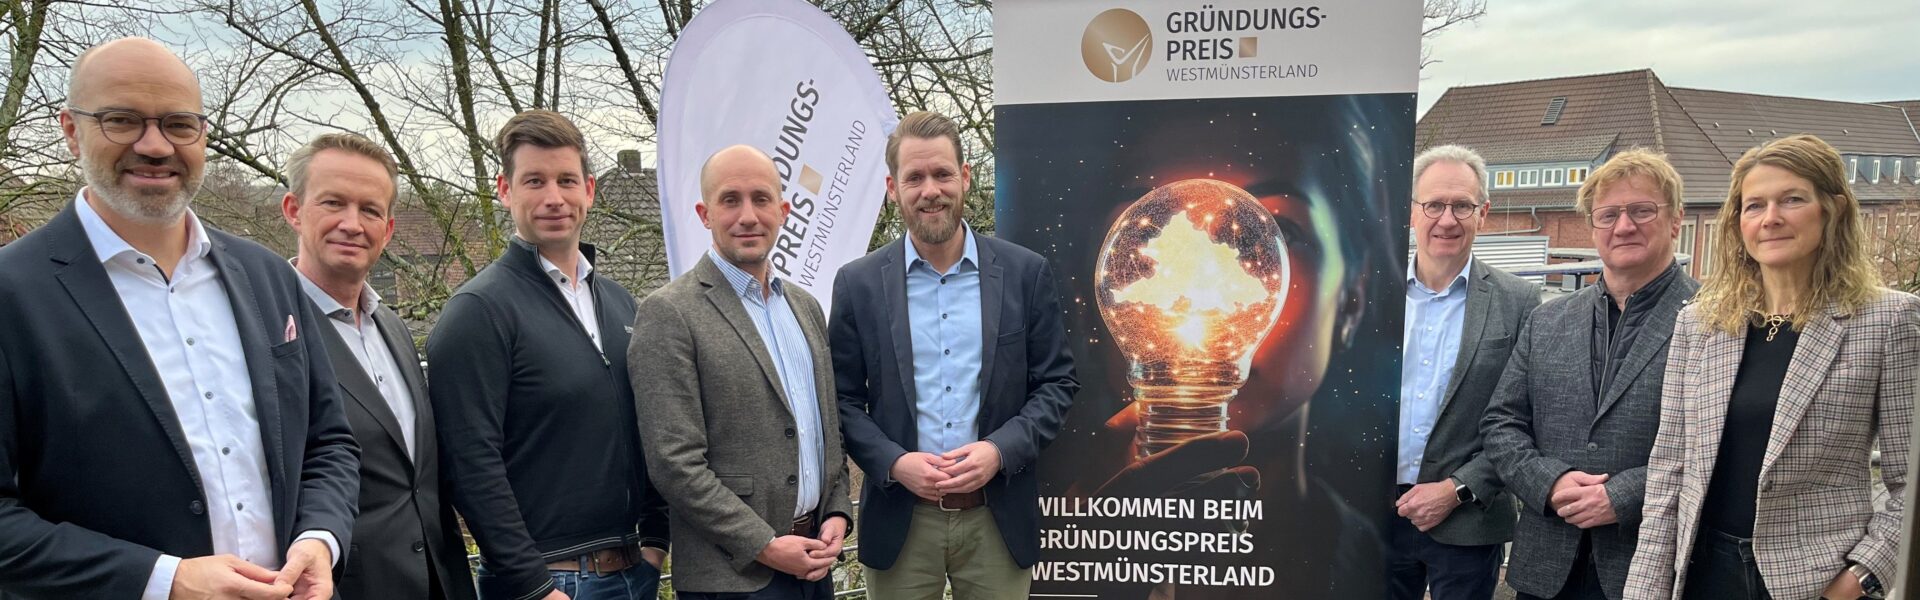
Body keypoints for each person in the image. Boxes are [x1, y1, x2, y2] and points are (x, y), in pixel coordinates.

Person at [0, 37, 358, 600]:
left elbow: (329, 441)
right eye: (122, 120)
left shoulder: (267, 276)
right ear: (71, 130)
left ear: (202, 135)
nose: (154, 145)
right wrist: (164, 581)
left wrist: (320, 538)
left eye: (178, 124)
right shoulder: (13, 294)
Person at [1624, 135, 1916, 600]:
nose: (1771, 218)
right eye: (1754, 205)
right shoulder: (1700, 323)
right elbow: (1669, 471)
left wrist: (1858, 579)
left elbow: (1911, 484)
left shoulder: (1888, 320)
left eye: (1792, 200)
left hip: (1817, 581)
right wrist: (1644, 590)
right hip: (1702, 574)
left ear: (1833, 209)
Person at [831, 111, 1079, 600]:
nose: (931, 190)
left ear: (965, 177)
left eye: (942, 174)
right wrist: (895, 462)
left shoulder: (1024, 274)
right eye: (914, 177)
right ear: (892, 188)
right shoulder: (858, 284)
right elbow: (841, 400)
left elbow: (1058, 384)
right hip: (901, 522)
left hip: (997, 518)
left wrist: (999, 451)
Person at [428, 110, 668, 600]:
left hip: (633, 573)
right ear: (505, 190)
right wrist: (534, 586)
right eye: (534, 181)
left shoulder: (621, 304)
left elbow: (651, 424)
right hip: (547, 583)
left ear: (589, 190)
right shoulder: (478, 312)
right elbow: (470, 464)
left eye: (566, 180)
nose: (554, 197)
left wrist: (656, 542)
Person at [631, 145, 854, 599]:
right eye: (730, 200)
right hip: (732, 578)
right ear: (705, 214)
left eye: (761, 199)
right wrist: (765, 545)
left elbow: (826, 429)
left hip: (814, 565)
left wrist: (836, 511)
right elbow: (674, 464)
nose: (748, 216)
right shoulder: (669, 313)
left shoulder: (806, 308)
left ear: (783, 211)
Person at [1482, 148, 1700, 600]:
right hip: (1545, 567)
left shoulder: (1716, 322)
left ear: (1676, 219)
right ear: (1593, 225)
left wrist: (1624, 496)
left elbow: (1719, 446)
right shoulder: (1547, 320)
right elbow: (1501, 423)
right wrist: (1550, 482)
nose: (1624, 226)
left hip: (1650, 566)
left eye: (1642, 210)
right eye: (1609, 215)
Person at [280, 132, 478, 600]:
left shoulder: (391, 326)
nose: (352, 224)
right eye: (334, 203)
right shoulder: (269, 334)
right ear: (294, 210)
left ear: (387, 230)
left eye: (369, 210)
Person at [1389, 145, 1540, 600]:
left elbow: (1527, 419)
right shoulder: (1370, 294)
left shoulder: (1519, 302)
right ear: (1411, 212)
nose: (1447, 220)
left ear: (1483, 214)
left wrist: (1457, 488)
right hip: (1372, 515)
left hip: (1469, 518)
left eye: (1462, 206)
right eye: (1433, 205)